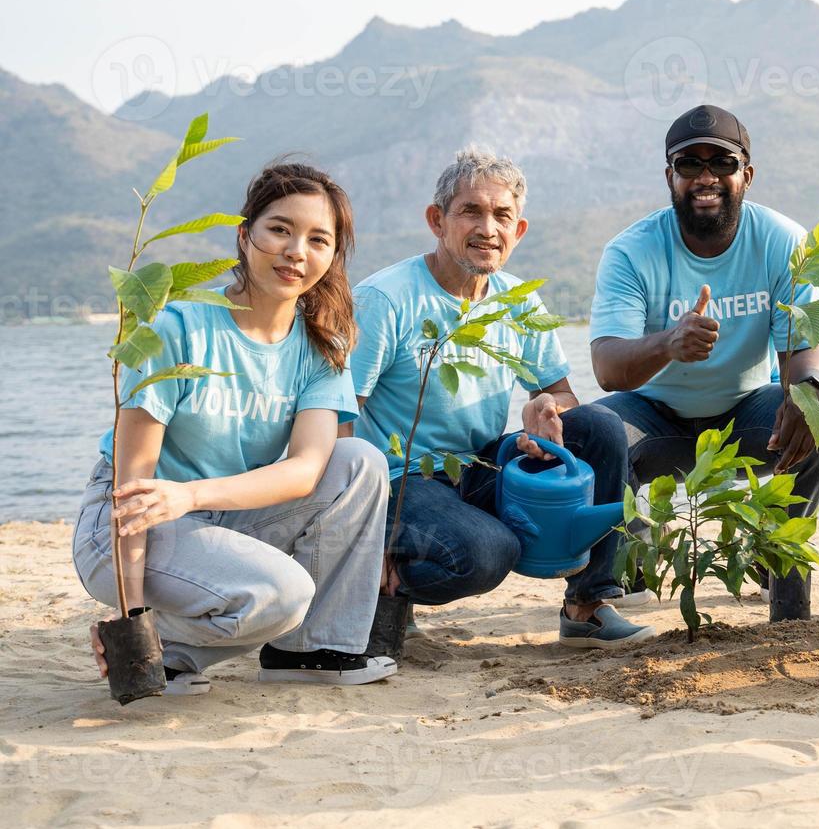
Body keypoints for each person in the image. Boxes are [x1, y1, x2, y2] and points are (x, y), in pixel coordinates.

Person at [75, 163, 395, 695]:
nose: (296, 250)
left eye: (318, 239)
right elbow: (131, 492)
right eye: (280, 229)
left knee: (358, 461)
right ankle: (168, 650)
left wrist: (191, 495)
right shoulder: (178, 327)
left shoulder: (320, 348)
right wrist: (133, 626)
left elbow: (306, 470)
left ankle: (312, 651)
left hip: (215, 515)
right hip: (127, 528)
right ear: (244, 236)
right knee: (283, 592)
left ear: (331, 258)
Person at [349, 148, 653, 650]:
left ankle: (588, 605)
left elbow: (560, 393)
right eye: (471, 211)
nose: (488, 228)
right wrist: (355, 523)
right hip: (400, 478)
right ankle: (378, 581)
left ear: (519, 230)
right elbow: (341, 417)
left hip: (482, 466)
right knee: (488, 553)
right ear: (437, 220)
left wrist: (548, 411)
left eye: (502, 216)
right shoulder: (386, 299)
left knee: (598, 425)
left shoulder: (518, 300)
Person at [589, 104, 819, 601]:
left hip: (744, 421)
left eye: (722, 163)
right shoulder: (631, 250)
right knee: (591, 432)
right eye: (689, 165)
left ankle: (778, 562)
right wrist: (668, 342)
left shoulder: (785, 242)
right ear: (670, 176)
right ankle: (635, 559)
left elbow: (805, 354)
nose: (706, 177)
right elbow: (606, 369)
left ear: (745, 175)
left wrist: (806, 391)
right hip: (654, 420)